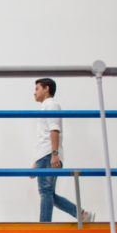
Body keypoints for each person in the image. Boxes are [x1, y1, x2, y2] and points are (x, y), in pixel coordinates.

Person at [32, 78, 95, 223]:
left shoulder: (51, 105)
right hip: (44, 156)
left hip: (49, 155)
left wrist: (54, 154)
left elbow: (54, 130)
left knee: (46, 192)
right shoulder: (46, 106)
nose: (34, 93)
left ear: (46, 89)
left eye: (37, 89)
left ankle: (44, 227)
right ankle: (82, 215)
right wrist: (36, 161)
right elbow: (44, 136)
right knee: (48, 193)